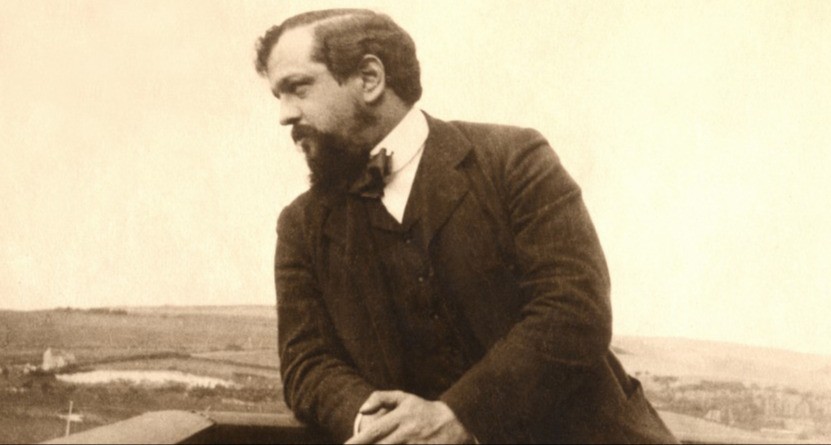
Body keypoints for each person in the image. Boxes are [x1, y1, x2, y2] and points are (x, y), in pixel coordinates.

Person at [256, 8, 678, 444]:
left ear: (369, 78)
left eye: (298, 88)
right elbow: (307, 362)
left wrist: (463, 416)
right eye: (278, 96)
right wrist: (383, 428)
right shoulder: (301, 226)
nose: (284, 115)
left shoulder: (514, 159)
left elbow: (574, 310)